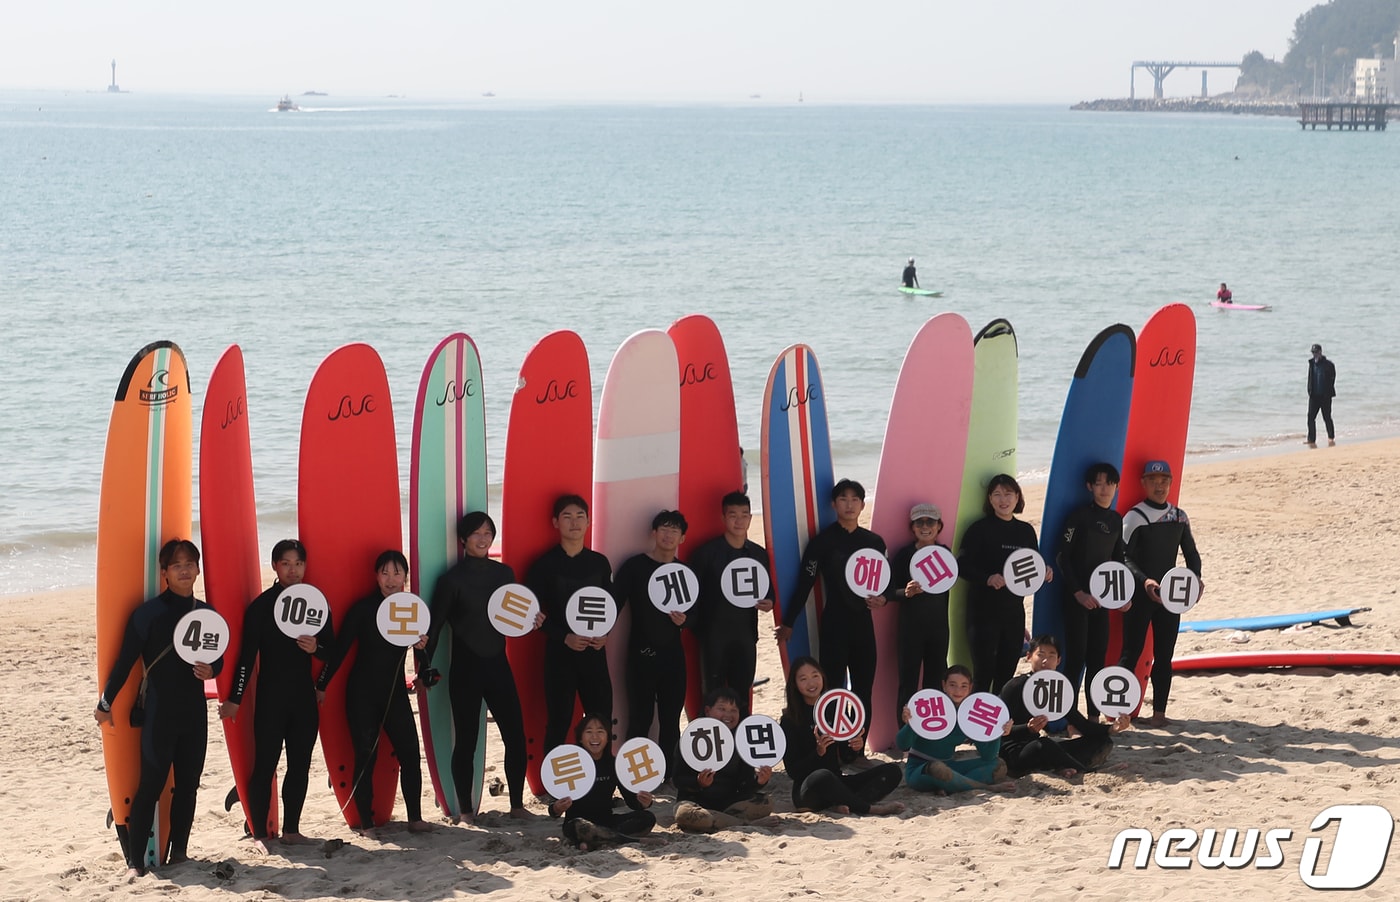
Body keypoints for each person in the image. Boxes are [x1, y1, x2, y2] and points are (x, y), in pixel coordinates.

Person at [94, 539, 222, 878]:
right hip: (159, 713)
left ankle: (179, 853)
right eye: (176, 564)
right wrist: (105, 702)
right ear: (164, 573)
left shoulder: (207, 614)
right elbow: (124, 663)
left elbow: (219, 659)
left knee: (189, 784)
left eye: (189, 563)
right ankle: (136, 862)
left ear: (198, 569)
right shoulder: (148, 614)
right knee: (150, 785)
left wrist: (214, 671)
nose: (184, 569)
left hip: (194, 713)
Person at [421, 511, 542, 821]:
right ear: (463, 539)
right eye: (476, 533)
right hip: (465, 671)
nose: (483, 537)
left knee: (515, 735)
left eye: (488, 532)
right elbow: (433, 629)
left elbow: (515, 619)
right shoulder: (451, 580)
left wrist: (534, 620)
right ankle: (465, 812)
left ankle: (516, 805)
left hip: (498, 666)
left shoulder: (504, 574)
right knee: (467, 741)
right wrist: (424, 667)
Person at [218, 538, 331, 851]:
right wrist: (235, 699)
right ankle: (259, 835)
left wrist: (317, 653)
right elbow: (245, 658)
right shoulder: (261, 607)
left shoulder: (315, 603)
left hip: (303, 700)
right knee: (265, 765)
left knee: (300, 764)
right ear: (275, 566)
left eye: (298, 564)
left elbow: (333, 650)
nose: (293, 570)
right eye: (286, 564)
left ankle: (292, 829)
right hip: (270, 700)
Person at [315, 550, 432, 834]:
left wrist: (423, 654)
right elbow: (340, 650)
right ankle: (366, 824)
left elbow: (425, 660)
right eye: (385, 573)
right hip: (362, 694)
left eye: (397, 573)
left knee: (410, 754)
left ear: (406, 576)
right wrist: (321, 684)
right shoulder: (364, 609)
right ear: (376, 576)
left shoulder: (412, 610)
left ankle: (414, 819)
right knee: (366, 756)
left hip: (395, 694)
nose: (391, 580)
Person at [775, 479, 890, 737]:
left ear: (862, 504)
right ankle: (835, 745)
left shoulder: (874, 542)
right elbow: (805, 583)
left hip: (863, 626)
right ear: (833, 504)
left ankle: (857, 748)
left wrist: (884, 599)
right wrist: (789, 622)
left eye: (854, 500)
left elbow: (885, 583)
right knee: (834, 689)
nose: (849, 505)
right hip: (834, 626)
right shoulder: (822, 542)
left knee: (863, 689)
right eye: (843, 499)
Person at [526, 494, 618, 756]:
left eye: (580, 516)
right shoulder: (544, 565)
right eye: (567, 516)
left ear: (589, 521)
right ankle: (556, 787)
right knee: (559, 722)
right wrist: (562, 636)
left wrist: (605, 634)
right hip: (560, 656)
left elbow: (610, 607)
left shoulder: (599, 563)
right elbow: (530, 615)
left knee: (601, 720)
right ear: (556, 522)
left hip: (594, 654)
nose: (574, 522)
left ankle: (600, 782)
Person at [1117, 461, 1204, 728]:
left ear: (1171, 483)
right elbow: (1124, 557)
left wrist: (1195, 580)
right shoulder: (1134, 517)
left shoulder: (1179, 516)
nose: (1159, 485)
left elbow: (1191, 553)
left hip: (1169, 598)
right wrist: (1144, 582)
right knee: (1130, 654)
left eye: (1164, 480)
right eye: (1153, 480)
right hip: (1141, 596)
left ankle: (1159, 714)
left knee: (1164, 656)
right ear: (1143, 483)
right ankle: (1120, 712)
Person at [957, 474, 1053, 694]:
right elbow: (961, 565)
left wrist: (1045, 572)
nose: (1003, 500)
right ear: (989, 499)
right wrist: (987, 578)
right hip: (982, 614)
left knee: (1006, 675)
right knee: (983, 674)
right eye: (997, 494)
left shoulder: (1025, 531)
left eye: (1008, 494)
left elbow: (1033, 567)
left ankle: (1001, 727)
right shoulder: (979, 529)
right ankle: (977, 726)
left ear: (1017, 497)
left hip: (1013, 614)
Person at [615, 510, 694, 769]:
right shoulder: (635, 567)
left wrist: (686, 620)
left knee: (671, 719)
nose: (668, 535)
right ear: (654, 533)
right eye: (664, 529)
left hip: (672, 655)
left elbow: (697, 614)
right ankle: (635, 774)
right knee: (640, 719)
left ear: (682, 538)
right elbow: (613, 604)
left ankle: (669, 774)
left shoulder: (684, 572)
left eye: (674, 531)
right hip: (641, 654)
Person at [779, 657, 903, 815]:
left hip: (838, 782)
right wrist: (818, 753)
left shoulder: (834, 709)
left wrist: (854, 747)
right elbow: (793, 771)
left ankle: (847, 803)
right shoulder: (790, 719)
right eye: (803, 679)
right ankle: (869, 808)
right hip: (809, 790)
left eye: (815, 676)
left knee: (893, 771)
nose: (811, 683)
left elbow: (846, 756)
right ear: (795, 685)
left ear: (822, 677)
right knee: (823, 775)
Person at [686, 492, 774, 709]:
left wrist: (769, 602)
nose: (739, 520)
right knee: (712, 697)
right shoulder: (706, 554)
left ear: (751, 519)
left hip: (745, 635)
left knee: (742, 697)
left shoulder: (759, 554)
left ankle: (741, 743)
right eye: (733, 515)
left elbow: (767, 591)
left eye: (744, 515)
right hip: (713, 637)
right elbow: (691, 597)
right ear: (723, 518)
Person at [1055, 463, 1128, 720]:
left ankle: (1093, 718)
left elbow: (1118, 560)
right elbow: (1062, 557)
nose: (1104, 488)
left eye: (1109, 483)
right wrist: (1078, 593)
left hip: (1102, 600)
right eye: (1099, 483)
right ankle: (1071, 719)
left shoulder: (1116, 519)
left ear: (1116, 486)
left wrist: (1121, 596)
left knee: (1098, 659)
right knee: (1075, 660)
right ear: (1089, 487)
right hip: (1077, 599)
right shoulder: (1078, 517)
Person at [997, 636, 1129, 778]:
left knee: (1101, 741)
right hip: (1013, 753)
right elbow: (997, 727)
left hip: (1039, 750)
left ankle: (1061, 766)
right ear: (1029, 657)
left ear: (1058, 661)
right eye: (1040, 655)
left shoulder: (1057, 689)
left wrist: (1112, 728)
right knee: (1043, 744)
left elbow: (1082, 724)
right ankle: (1084, 771)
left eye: (1051, 655)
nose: (1046, 661)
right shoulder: (1015, 686)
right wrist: (1026, 728)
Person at [673, 687, 779, 833]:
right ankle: (744, 825)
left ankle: (722, 821)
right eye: (721, 709)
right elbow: (678, 780)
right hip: (696, 801)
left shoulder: (741, 742)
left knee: (766, 803)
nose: (728, 715)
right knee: (684, 814)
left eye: (733, 710)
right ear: (708, 711)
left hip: (728, 803)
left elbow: (744, 785)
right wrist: (698, 783)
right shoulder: (690, 738)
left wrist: (759, 781)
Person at [897, 665, 1014, 793]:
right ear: (944, 685)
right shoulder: (930, 706)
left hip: (949, 765)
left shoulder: (969, 715)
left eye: (964, 686)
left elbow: (988, 755)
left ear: (970, 687)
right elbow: (902, 744)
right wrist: (910, 725)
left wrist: (996, 732)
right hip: (920, 769)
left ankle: (951, 785)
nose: (958, 690)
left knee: (998, 765)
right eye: (952, 685)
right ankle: (983, 787)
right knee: (937, 769)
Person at [547, 713, 657, 850]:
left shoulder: (614, 764)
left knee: (647, 818)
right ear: (580, 738)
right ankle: (631, 840)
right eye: (589, 732)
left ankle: (597, 840)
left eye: (600, 731)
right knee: (578, 826)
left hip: (607, 822)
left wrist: (644, 803)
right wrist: (558, 807)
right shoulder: (569, 762)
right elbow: (552, 809)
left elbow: (631, 801)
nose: (595, 737)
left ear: (607, 738)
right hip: (579, 823)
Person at [889, 503, 952, 728]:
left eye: (930, 522)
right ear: (912, 528)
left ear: (939, 526)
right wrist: (904, 593)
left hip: (939, 628)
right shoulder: (904, 555)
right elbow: (888, 591)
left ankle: (930, 732)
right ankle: (905, 735)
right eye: (920, 522)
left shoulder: (945, 554)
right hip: (910, 629)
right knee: (908, 683)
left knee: (935, 682)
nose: (925, 527)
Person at [1306, 343, 1336, 448]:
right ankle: (1311, 439)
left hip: (1325, 396)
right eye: (1313, 353)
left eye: (1316, 352)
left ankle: (1331, 437)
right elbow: (1310, 378)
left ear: (1320, 352)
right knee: (1310, 417)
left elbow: (1333, 378)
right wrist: (1309, 391)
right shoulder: (1311, 364)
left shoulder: (1328, 364)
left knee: (1327, 417)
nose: (1315, 355)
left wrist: (1328, 391)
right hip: (1314, 396)